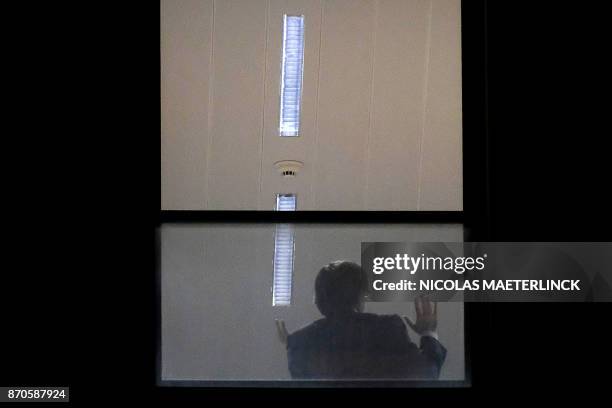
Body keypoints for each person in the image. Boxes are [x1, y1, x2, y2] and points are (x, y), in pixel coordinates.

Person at [275, 261, 446, 379]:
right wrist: (429, 333)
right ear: (360, 296)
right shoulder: (387, 329)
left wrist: (294, 342)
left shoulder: (300, 342)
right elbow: (424, 375)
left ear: (319, 299)